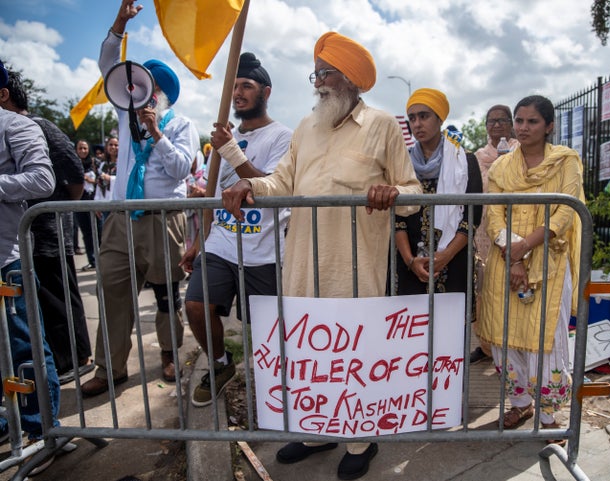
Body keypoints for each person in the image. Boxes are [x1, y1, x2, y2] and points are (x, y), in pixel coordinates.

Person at [221, 31, 421, 481]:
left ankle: (360, 439)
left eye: (326, 73)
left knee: (355, 354)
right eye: (317, 74)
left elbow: (413, 194)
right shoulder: (306, 127)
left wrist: (393, 192)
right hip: (303, 262)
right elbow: (281, 183)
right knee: (310, 352)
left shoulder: (383, 126)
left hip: (356, 268)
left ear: (350, 79)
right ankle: (316, 432)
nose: (319, 83)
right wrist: (250, 184)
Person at [81, 0, 199, 397]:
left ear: (164, 95)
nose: (143, 95)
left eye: (152, 89)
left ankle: (169, 353)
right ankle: (109, 367)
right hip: (122, 219)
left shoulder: (181, 125)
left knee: (167, 292)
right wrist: (119, 23)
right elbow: (108, 63)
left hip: (164, 219)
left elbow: (183, 169)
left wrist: (158, 136)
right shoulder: (124, 117)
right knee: (112, 291)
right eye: (138, 87)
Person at [181, 51, 292, 408]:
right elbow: (214, 196)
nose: (239, 93)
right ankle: (219, 364)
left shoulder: (283, 137)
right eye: (234, 87)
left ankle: (280, 397)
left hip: (265, 250)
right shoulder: (223, 138)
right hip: (222, 244)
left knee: (267, 332)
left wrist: (230, 151)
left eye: (247, 86)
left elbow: (272, 186)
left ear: (266, 92)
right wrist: (199, 241)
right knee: (196, 306)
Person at [478, 95, 583, 446]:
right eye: (519, 121)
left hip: (549, 260)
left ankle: (551, 416)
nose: (523, 128)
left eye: (532, 122)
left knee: (545, 338)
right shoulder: (501, 168)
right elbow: (494, 215)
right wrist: (516, 257)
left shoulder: (566, 161)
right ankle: (521, 404)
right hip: (506, 261)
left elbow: (566, 212)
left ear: (549, 126)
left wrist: (526, 247)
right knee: (507, 338)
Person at [0, 67, 94, 384]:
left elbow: (75, 172)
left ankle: (77, 358)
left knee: (60, 297)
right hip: (26, 235)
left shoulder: (39, 126)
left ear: (6, 95)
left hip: (50, 232)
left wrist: (63, 209)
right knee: (40, 302)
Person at [0, 59, 61, 466]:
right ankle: (11, 423)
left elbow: (44, 179)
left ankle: (43, 431)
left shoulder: (17, 126)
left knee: (25, 346)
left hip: (6, 258)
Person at [394, 88, 482, 300]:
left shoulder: (464, 161)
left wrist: (445, 256)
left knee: (450, 328)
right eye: (412, 118)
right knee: (412, 328)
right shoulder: (403, 162)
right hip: (410, 264)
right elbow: (397, 218)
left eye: (424, 116)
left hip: (454, 262)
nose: (417, 124)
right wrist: (409, 261)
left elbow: (471, 218)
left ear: (440, 118)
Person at [470, 105, 520, 364]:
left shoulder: (519, 152)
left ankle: (511, 343)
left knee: (511, 285)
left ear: (511, 124)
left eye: (502, 120)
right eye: (491, 121)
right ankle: (486, 345)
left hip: (513, 227)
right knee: (483, 284)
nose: (497, 125)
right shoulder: (478, 156)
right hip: (483, 230)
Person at [75, 139, 100, 270]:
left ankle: (102, 259)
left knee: (99, 232)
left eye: (85, 148)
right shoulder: (73, 164)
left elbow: (101, 181)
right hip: (80, 203)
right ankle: (92, 260)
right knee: (87, 233)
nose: (83, 151)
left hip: (95, 203)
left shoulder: (95, 162)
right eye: (80, 148)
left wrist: (90, 179)